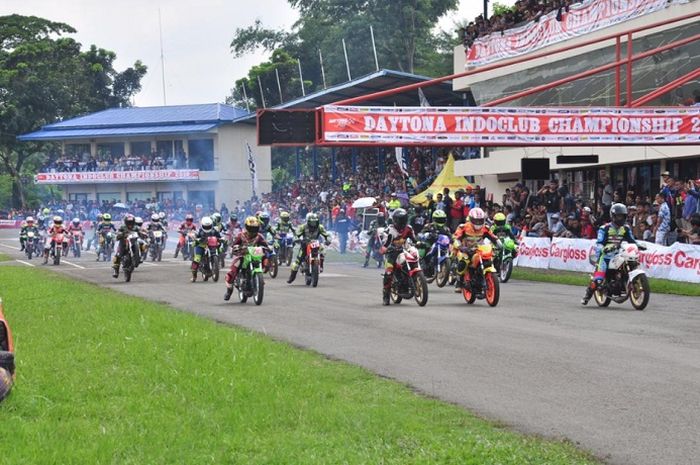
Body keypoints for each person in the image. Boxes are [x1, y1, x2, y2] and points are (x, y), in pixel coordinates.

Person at [581, 203, 643, 305]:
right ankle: (587, 295)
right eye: (619, 216)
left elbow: (631, 240)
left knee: (629, 263)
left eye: (623, 216)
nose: (621, 218)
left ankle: (623, 283)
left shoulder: (626, 228)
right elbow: (599, 242)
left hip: (618, 255)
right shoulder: (604, 228)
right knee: (598, 280)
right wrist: (603, 249)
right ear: (613, 216)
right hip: (605, 257)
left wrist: (639, 245)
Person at [452, 208, 501, 295]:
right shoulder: (463, 227)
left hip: (480, 250)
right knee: (464, 260)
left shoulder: (485, 228)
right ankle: (459, 281)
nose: (478, 223)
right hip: (466, 249)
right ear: (471, 219)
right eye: (476, 220)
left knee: (491, 258)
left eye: (480, 220)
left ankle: (484, 278)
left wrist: (498, 244)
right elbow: (456, 238)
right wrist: (461, 247)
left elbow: (493, 237)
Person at [224, 216, 269, 300]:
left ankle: (261, 275)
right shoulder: (241, 235)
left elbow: (265, 245)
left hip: (255, 254)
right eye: (251, 228)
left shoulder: (259, 236)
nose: (253, 230)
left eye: (255, 228)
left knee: (265, 256)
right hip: (242, 255)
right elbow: (234, 245)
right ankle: (229, 291)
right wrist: (235, 248)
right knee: (234, 270)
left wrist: (268, 248)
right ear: (247, 227)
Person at [381, 208, 415, 305]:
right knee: (388, 272)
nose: (402, 222)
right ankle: (386, 295)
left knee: (413, 261)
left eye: (403, 219)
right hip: (392, 254)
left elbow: (414, 239)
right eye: (400, 220)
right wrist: (385, 248)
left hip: (404, 251)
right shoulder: (389, 230)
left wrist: (419, 243)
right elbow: (385, 242)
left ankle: (410, 282)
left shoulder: (409, 228)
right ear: (395, 220)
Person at [287, 213, 331, 284]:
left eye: (315, 222)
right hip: (305, 244)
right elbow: (296, 234)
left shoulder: (320, 227)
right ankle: (292, 277)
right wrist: (297, 239)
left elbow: (327, 235)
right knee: (297, 263)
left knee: (323, 251)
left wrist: (328, 240)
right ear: (308, 221)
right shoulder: (303, 227)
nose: (313, 224)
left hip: (316, 244)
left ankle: (321, 266)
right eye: (312, 222)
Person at [189, 216, 222, 282]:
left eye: (208, 226)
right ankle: (194, 276)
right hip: (201, 246)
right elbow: (195, 236)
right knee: (197, 259)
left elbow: (219, 237)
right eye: (206, 226)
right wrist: (195, 239)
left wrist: (222, 239)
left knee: (220, 250)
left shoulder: (214, 230)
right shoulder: (199, 230)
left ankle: (219, 262)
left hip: (211, 245)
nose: (207, 228)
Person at [111, 214, 140, 278]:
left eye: (131, 222)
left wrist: (144, 233)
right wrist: (119, 234)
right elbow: (118, 232)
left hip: (133, 242)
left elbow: (140, 231)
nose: (130, 224)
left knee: (139, 244)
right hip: (123, 242)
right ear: (126, 222)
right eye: (129, 222)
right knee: (118, 254)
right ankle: (116, 271)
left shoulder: (136, 227)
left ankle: (136, 259)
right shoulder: (122, 227)